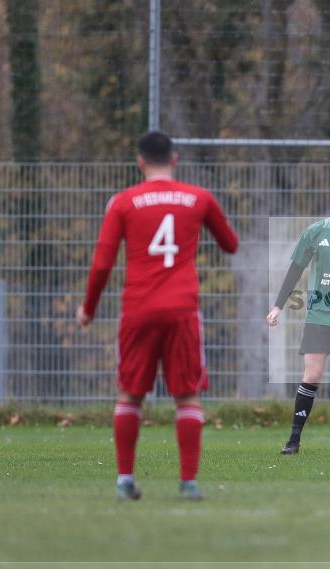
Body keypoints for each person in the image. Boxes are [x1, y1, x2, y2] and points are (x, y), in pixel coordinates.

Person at [77, 131, 239, 501]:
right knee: (187, 397)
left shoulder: (123, 202)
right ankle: (188, 483)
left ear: (139, 161)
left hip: (138, 309)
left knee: (130, 395)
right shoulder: (198, 198)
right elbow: (230, 244)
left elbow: (102, 264)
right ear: (175, 159)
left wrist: (88, 309)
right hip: (182, 309)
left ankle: (124, 481)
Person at [266, 177, 330, 455]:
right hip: (318, 316)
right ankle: (294, 440)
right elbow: (295, 269)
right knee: (311, 375)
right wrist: (278, 306)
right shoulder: (315, 232)